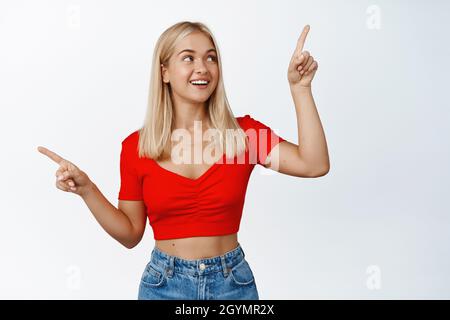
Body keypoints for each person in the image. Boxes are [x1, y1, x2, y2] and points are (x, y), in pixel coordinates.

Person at [37, 21, 329, 300]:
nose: (202, 68)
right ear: (164, 71)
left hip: (233, 285)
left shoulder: (245, 135)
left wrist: (300, 89)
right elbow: (130, 234)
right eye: (188, 58)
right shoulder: (136, 147)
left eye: (211, 58)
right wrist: (87, 189)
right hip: (164, 284)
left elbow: (314, 164)